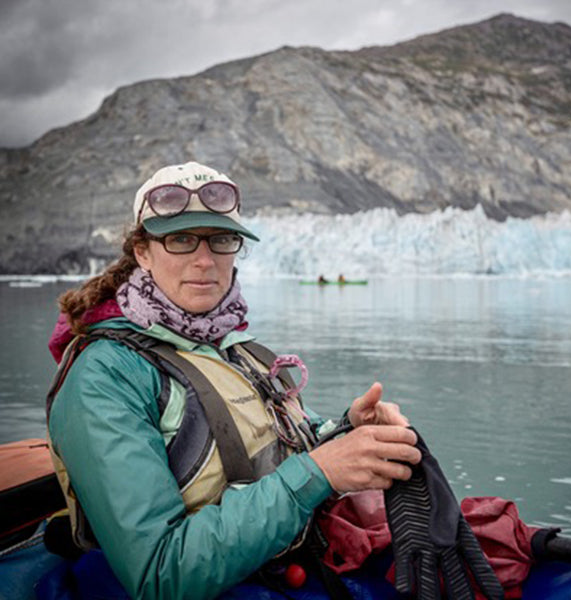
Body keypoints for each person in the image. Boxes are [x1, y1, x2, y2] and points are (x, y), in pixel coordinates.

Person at [46, 161, 421, 599]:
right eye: (181, 239)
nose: (204, 260)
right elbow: (159, 572)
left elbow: (284, 452)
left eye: (221, 239)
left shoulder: (232, 348)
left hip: (283, 568)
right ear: (143, 252)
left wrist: (349, 432)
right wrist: (321, 472)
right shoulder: (107, 374)